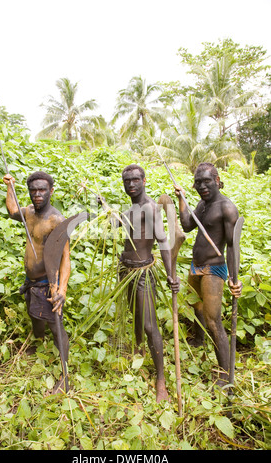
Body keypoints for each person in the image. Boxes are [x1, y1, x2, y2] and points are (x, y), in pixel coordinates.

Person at [101, 164, 180, 403]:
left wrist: (171, 274)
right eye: (127, 181)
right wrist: (104, 207)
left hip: (143, 273)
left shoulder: (150, 209)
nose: (131, 184)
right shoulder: (130, 209)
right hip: (126, 272)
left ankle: (161, 379)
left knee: (149, 324)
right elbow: (117, 226)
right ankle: (138, 350)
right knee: (135, 316)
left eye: (135, 180)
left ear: (144, 181)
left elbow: (163, 241)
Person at [174, 162, 242, 387]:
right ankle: (198, 340)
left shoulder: (226, 208)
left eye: (206, 181)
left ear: (217, 180)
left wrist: (234, 278)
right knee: (195, 305)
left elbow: (232, 246)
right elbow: (186, 225)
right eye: (198, 182)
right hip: (196, 266)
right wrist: (181, 199)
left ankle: (225, 374)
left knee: (213, 321)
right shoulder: (203, 204)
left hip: (214, 268)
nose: (202, 186)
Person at [3, 171, 70, 392]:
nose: (37, 194)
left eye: (42, 190)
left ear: (51, 191)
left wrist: (62, 288)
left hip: (47, 281)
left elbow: (65, 259)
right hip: (30, 280)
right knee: (34, 313)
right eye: (33, 190)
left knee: (56, 325)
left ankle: (65, 373)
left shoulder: (56, 220)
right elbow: (12, 210)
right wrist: (9, 187)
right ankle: (38, 342)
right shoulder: (28, 212)